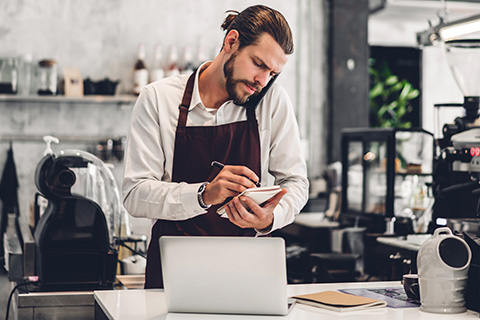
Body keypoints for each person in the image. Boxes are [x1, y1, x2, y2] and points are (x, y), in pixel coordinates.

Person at [122, 4, 309, 289]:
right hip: (174, 272)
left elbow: (296, 182)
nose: (263, 81)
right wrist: (204, 194)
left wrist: (270, 217)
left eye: (273, 73)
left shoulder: (272, 101)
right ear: (231, 41)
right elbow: (134, 194)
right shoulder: (158, 99)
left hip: (248, 271)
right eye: (259, 64)